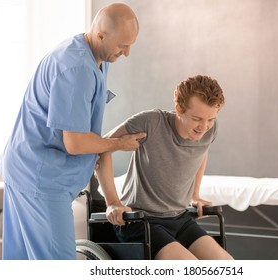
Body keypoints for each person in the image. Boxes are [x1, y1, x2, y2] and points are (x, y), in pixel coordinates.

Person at [0, 3, 146, 260]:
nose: (128, 53)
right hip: (40, 179)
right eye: (123, 45)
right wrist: (117, 143)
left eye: (131, 45)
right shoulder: (77, 68)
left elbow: (87, 134)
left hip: (24, 168)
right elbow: (76, 143)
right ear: (101, 35)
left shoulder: (96, 57)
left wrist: (112, 198)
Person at [95, 75, 234, 260]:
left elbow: (201, 152)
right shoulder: (151, 122)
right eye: (197, 119)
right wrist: (112, 202)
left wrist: (195, 195)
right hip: (140, 221)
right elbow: (101, 148)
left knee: (227, 264)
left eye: (210, 119)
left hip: (180, 218)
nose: (204, 127)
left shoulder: (210, 130)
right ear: (179, 109)